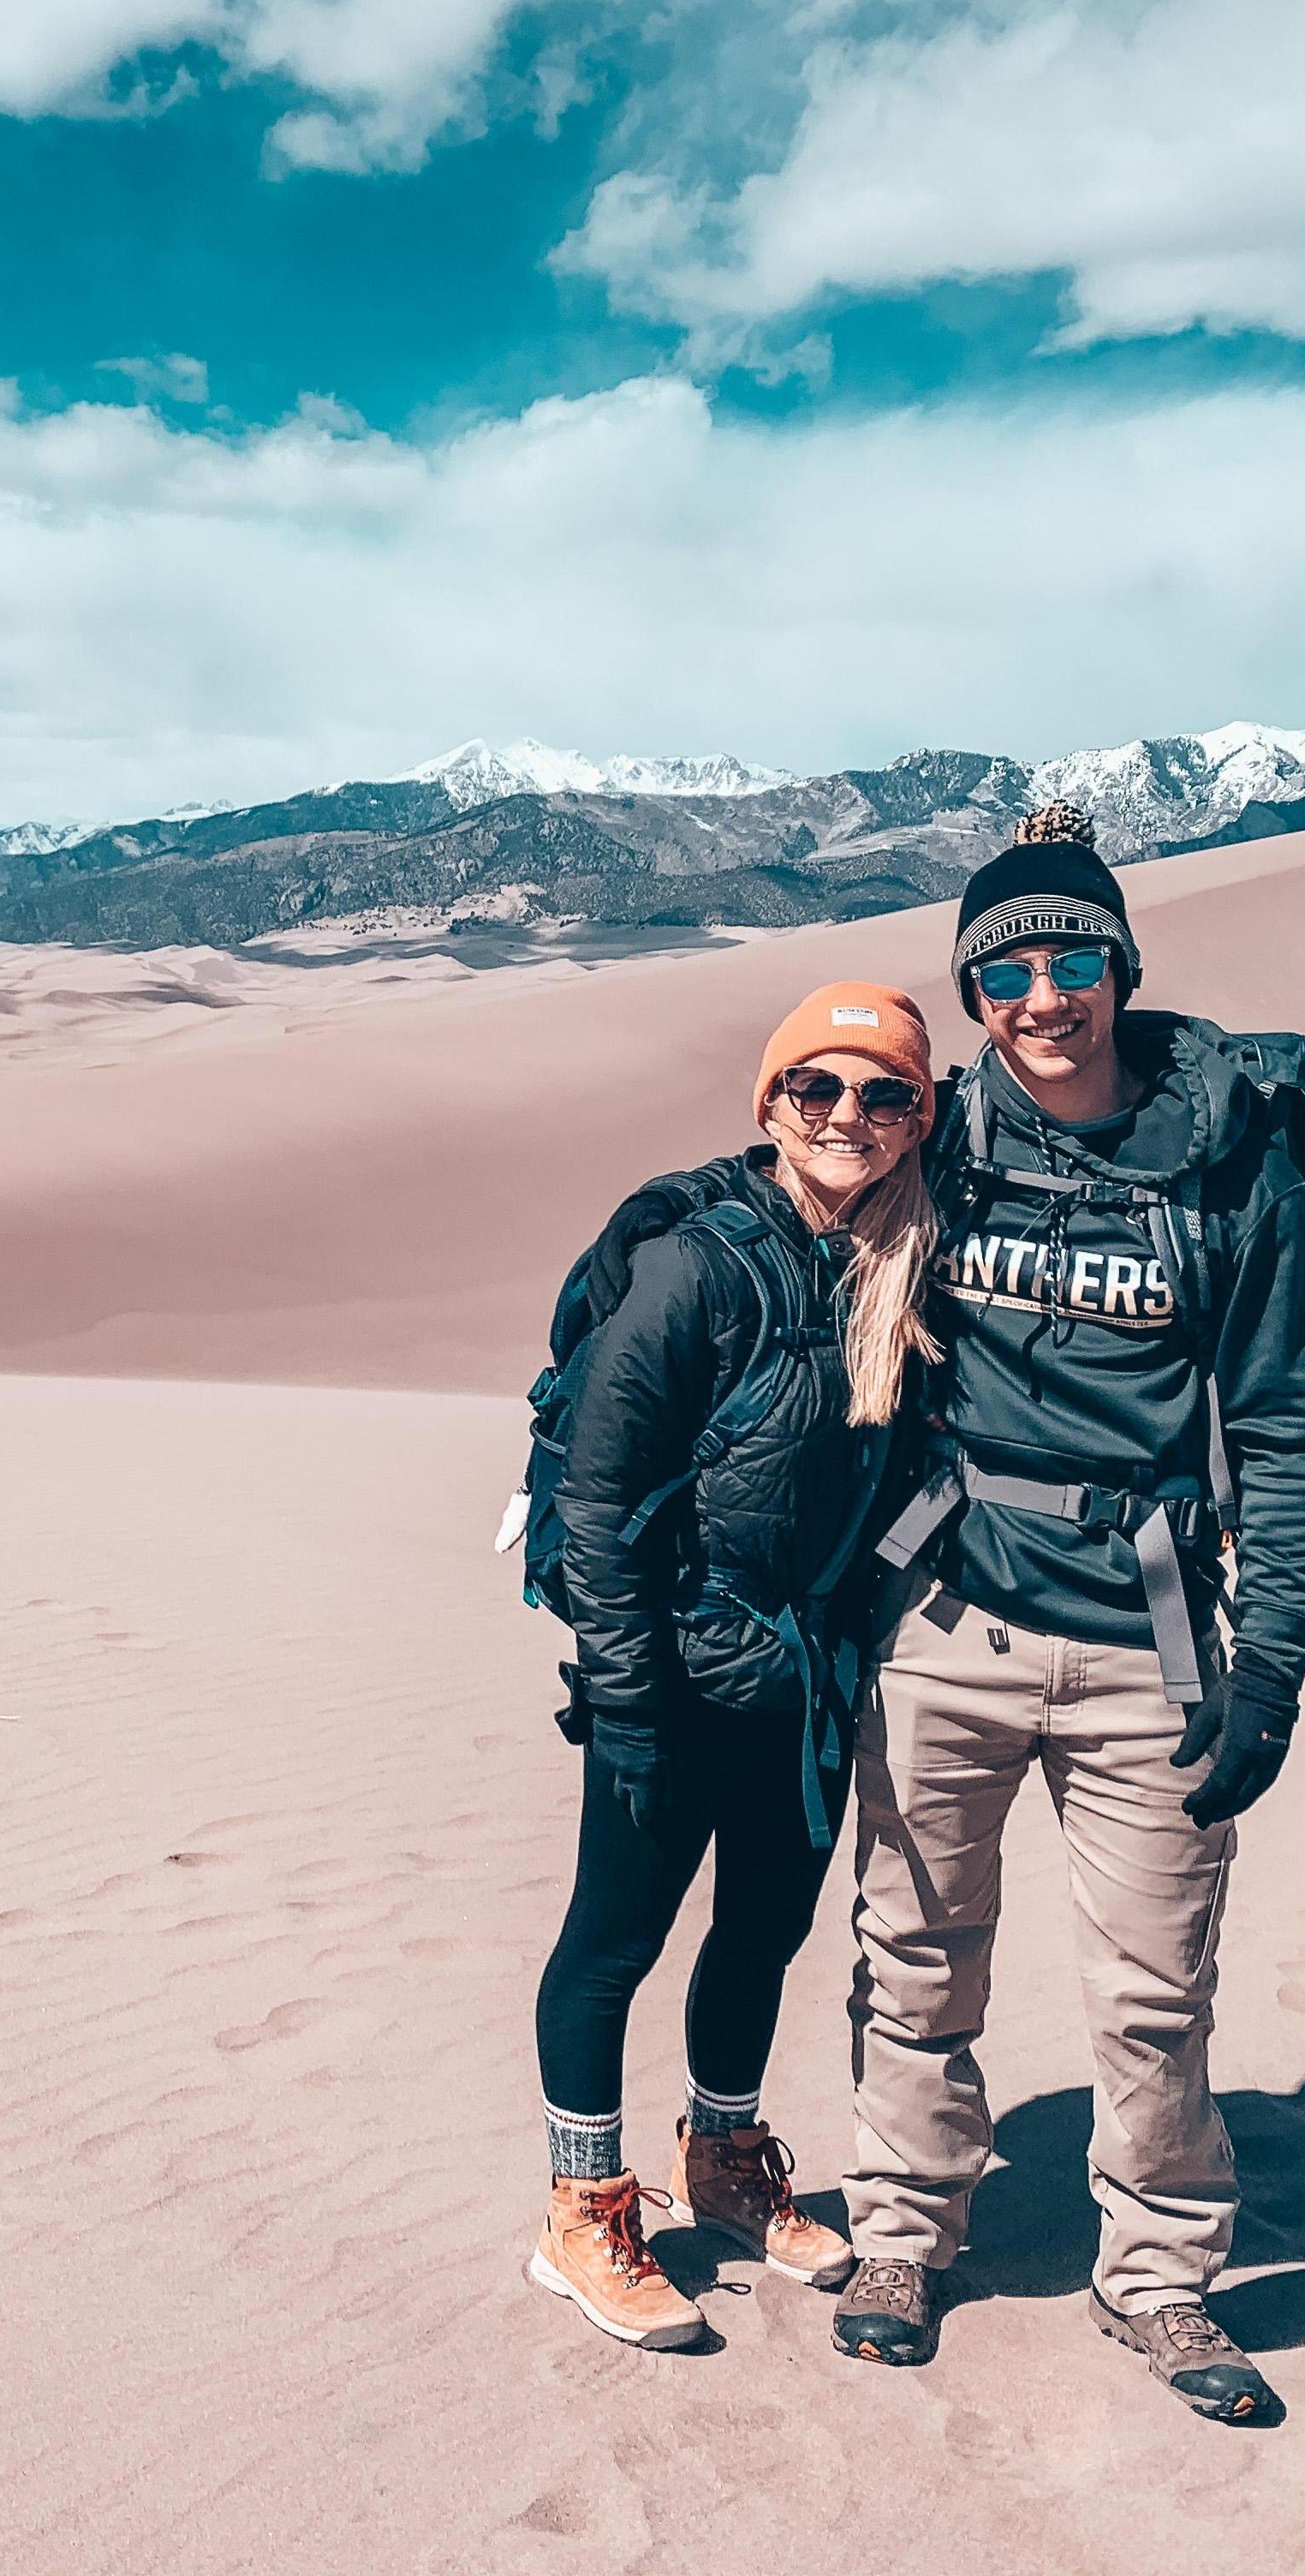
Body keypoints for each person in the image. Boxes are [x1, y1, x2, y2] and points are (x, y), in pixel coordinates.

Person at [833, 806, 1305, 2425]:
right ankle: (904, 2234)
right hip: (949, 1619)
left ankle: (1163, 2279)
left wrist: (1275, 1659)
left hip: (1151, 1639)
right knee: (911, 1955)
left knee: (1151, 1987)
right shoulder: (939, 1133)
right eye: (1003, 971)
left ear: (1120, 966)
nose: (1040, 998)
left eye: (1069, 961)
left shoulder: (1232, 1164)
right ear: (971, 993)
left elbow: (1280, 1426)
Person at [528, 982, 943, 2350]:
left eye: (885, 1094)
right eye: (817, 1090)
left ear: (917, 1117)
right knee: (614, 1946)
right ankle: (583, 2215)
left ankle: (723, 2163)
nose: (849, 1117)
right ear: (770, 1105)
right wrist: (633, 1697)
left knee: (760, 1934)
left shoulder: (903, 1261)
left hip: (805, 1677)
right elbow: (597, 1503)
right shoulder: (697, 1266)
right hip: (678, 1667)